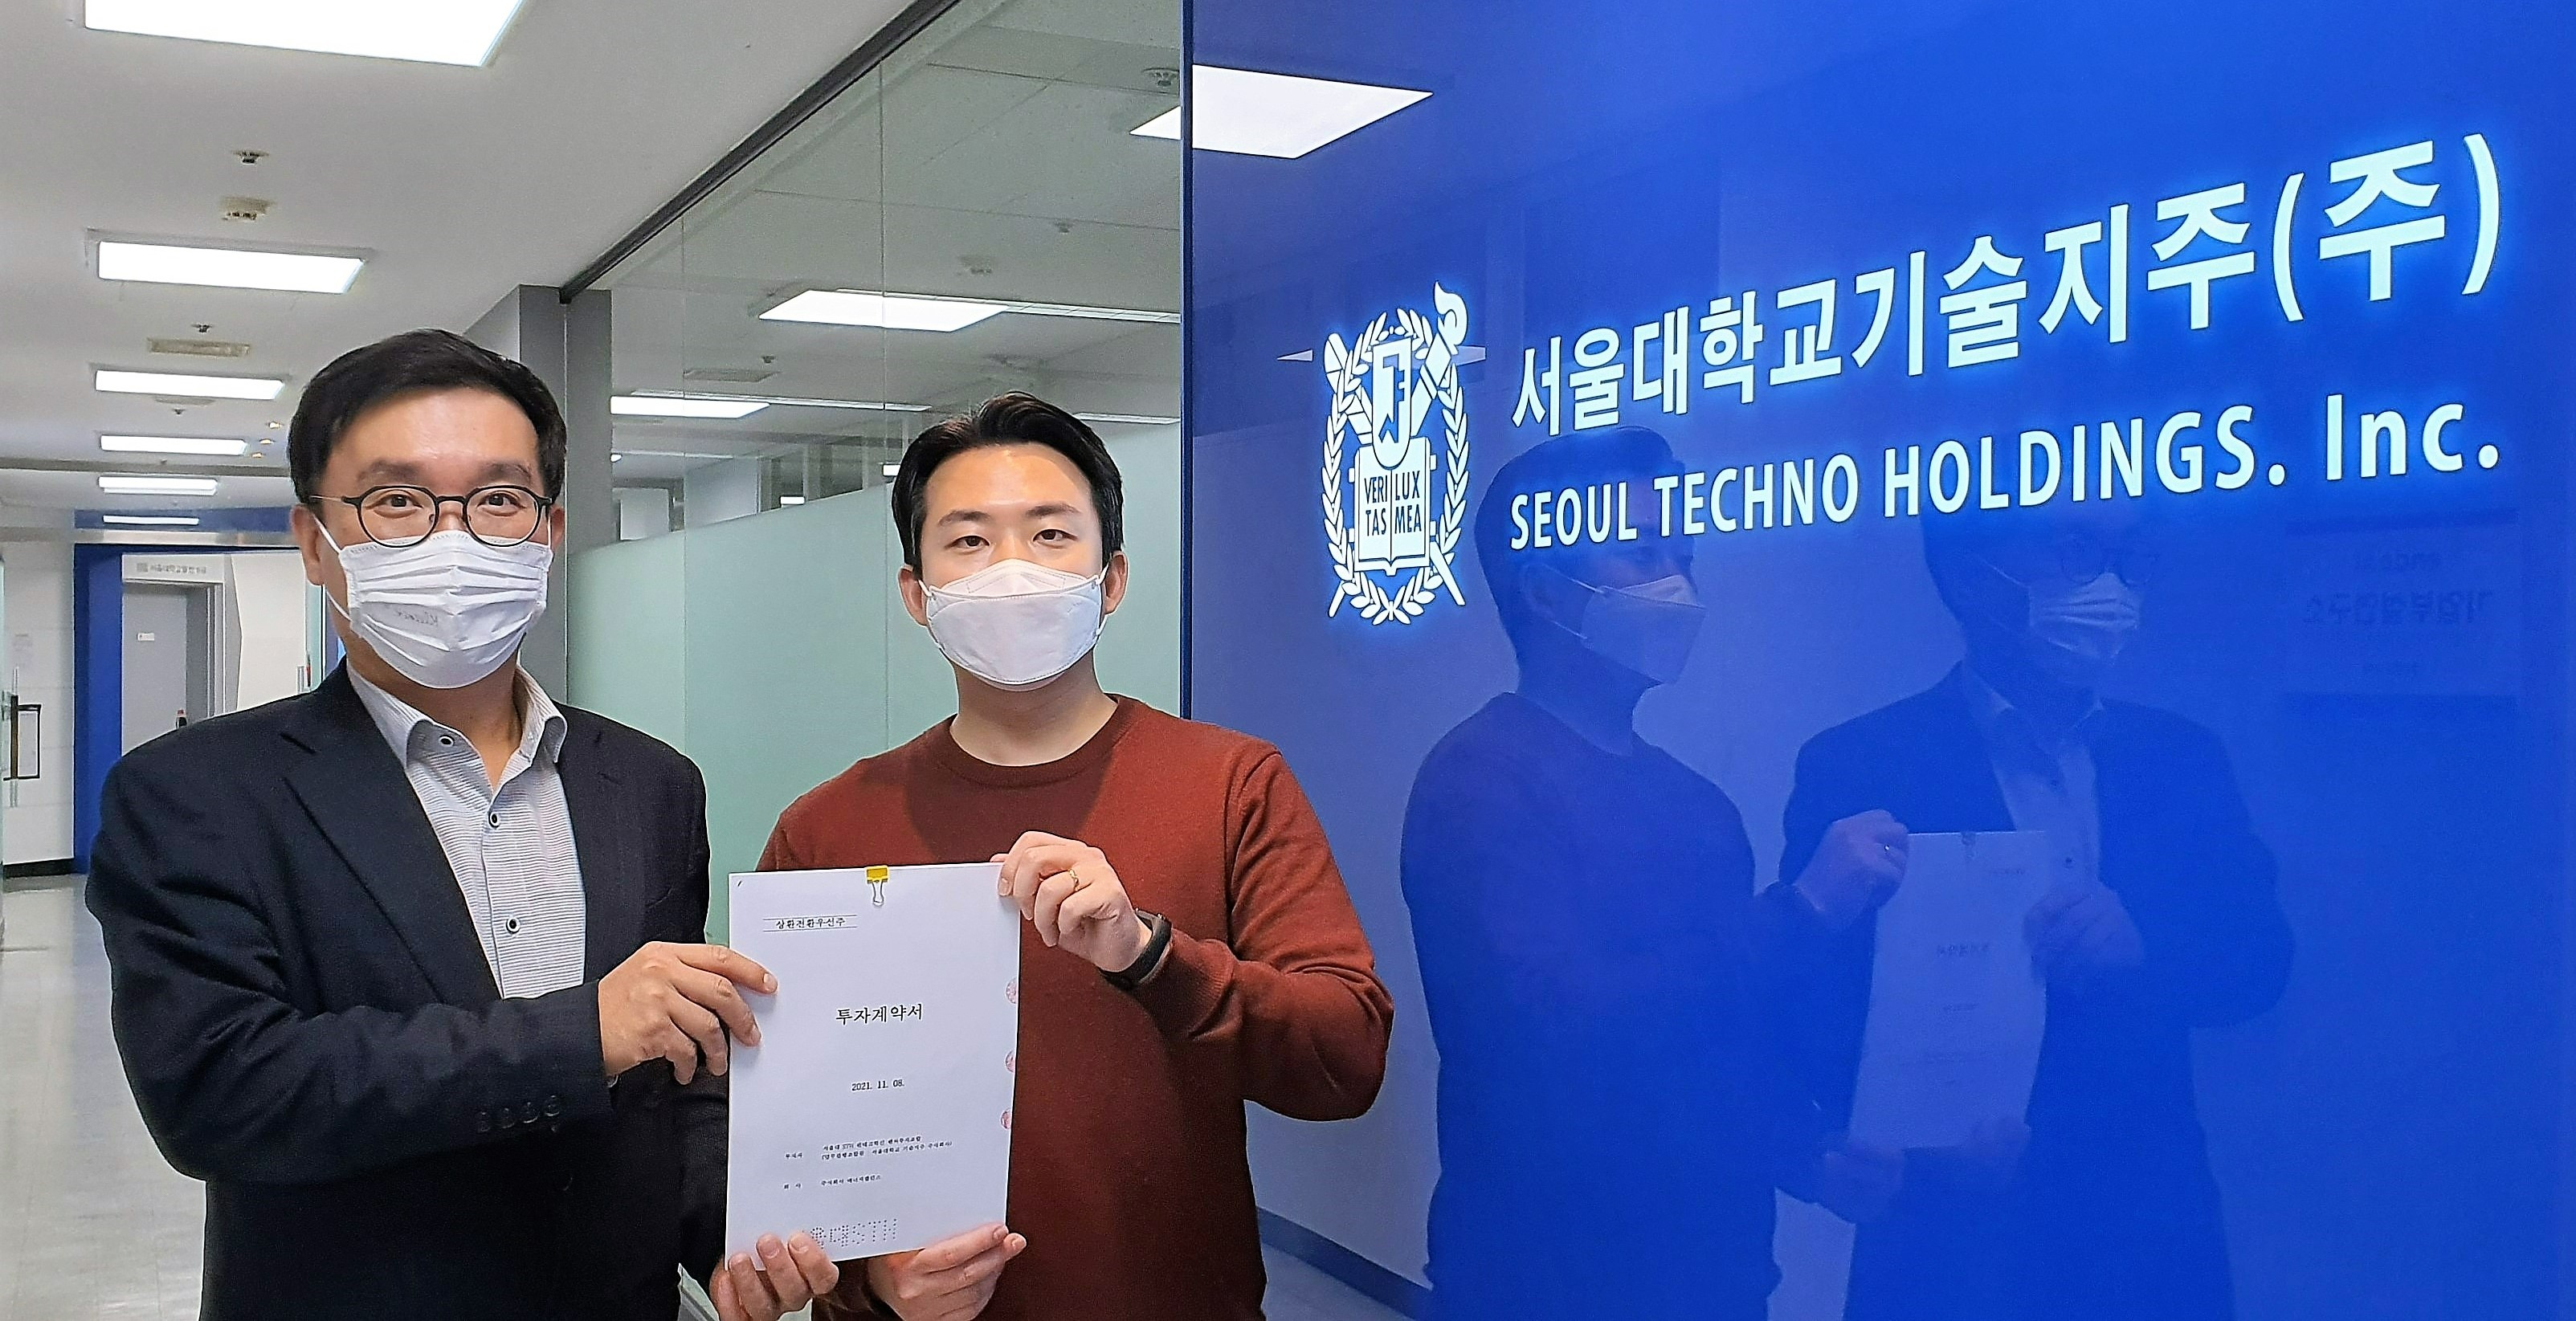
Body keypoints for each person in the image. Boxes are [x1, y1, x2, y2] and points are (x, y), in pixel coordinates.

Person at [85, 329, 837, 1321]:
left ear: (549, 531)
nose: (454, 539)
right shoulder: (199, 792)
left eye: (498, 500)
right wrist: (580, 1035)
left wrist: (730, 1234)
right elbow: (221, 1091)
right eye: (397, 501)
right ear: (314, 540)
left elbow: (679, 1070)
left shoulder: (651, 783)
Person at [761, 393, 1393, 1321]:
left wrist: (1149, 954)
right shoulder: (827, 831)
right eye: (969, 540)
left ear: (1112, 579)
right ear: (917, 594)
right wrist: (870, 1280)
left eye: (1051, 534)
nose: (1011, 568)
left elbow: (1347, 1058)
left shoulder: (1231, 784)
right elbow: (782, 1129)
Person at [1402, 427, 1898, 1320]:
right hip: (1544, 1275)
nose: (1678, 583)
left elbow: (1713, 1045)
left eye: (1684, 556)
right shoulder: (1479, 781)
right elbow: (1554, 1028)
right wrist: (1802, 911)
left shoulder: (1698, 804)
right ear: (1545, 591)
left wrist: (1806, 1152)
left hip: (1712, 1268)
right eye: (1641, 553)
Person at [1770, 499, 2294, 1321]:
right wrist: (1887, 1140)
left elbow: (2261, 962)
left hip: (2147, 1231)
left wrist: (2147, 943)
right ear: (1970, 577)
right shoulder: (1861, 762)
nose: (2110, 585)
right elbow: (1813, 1007)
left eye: (2129, 557)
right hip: (1949, 1244)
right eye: (2076, 550)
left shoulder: (2181, 759)